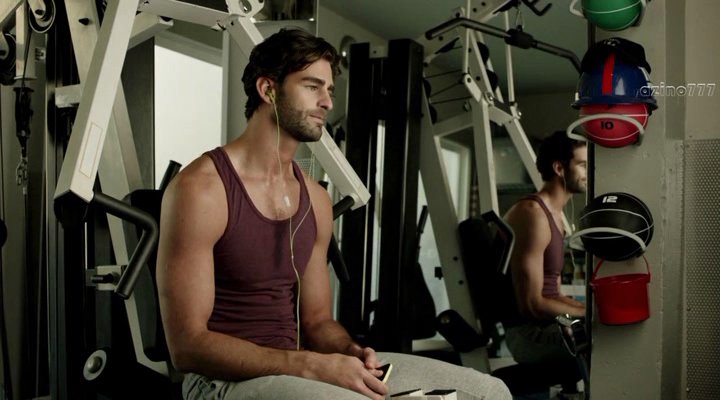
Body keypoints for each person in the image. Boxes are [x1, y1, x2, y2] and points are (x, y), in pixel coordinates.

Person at [156, 28, 511, 400]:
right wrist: (310, 365)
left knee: (488, 391)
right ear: (268, 90)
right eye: (312, 86)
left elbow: (317, 321)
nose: (326, 102)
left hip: (299, 369)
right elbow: (188, 346)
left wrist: (348, 351)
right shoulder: (202, 189)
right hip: (220, 382)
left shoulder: (315, 199)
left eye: (329, 90)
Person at [503, 131, 587, 373]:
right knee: (610, 340)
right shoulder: (533, 214)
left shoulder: (555, 215)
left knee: (615, 328)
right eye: (582, 165)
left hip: (547, 325)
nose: (588, 173)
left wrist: (589, 312)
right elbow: (532, 305)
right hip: (528, 335)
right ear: (559, 168)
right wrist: (586, 313)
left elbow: (553, 294)